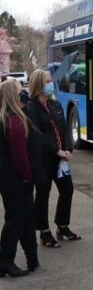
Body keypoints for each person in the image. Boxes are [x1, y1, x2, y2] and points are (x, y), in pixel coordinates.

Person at [27, 69, 81, 248]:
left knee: (67, 190)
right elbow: (37, 135)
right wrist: (56, 151)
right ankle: (44, 231)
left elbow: (64, 128)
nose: (51, 84)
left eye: (50, 80)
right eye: (47, 81)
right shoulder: (31, 107)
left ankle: (62, 225)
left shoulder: (55, 104)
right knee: (43, 195)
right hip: (43, 159)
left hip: (60, 159)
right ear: (38, 84)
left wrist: (67, 148)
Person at [0, 80, 37, 277]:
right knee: (14, 220)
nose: (23, 91)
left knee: (14, 218)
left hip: (6, 176)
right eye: (19, 90)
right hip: (15, 178)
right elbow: (20, 155)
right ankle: (6, 262)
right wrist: (27, 176)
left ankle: (9, 261)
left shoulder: (4, 117)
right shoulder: (14, 120)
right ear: (13, 96)